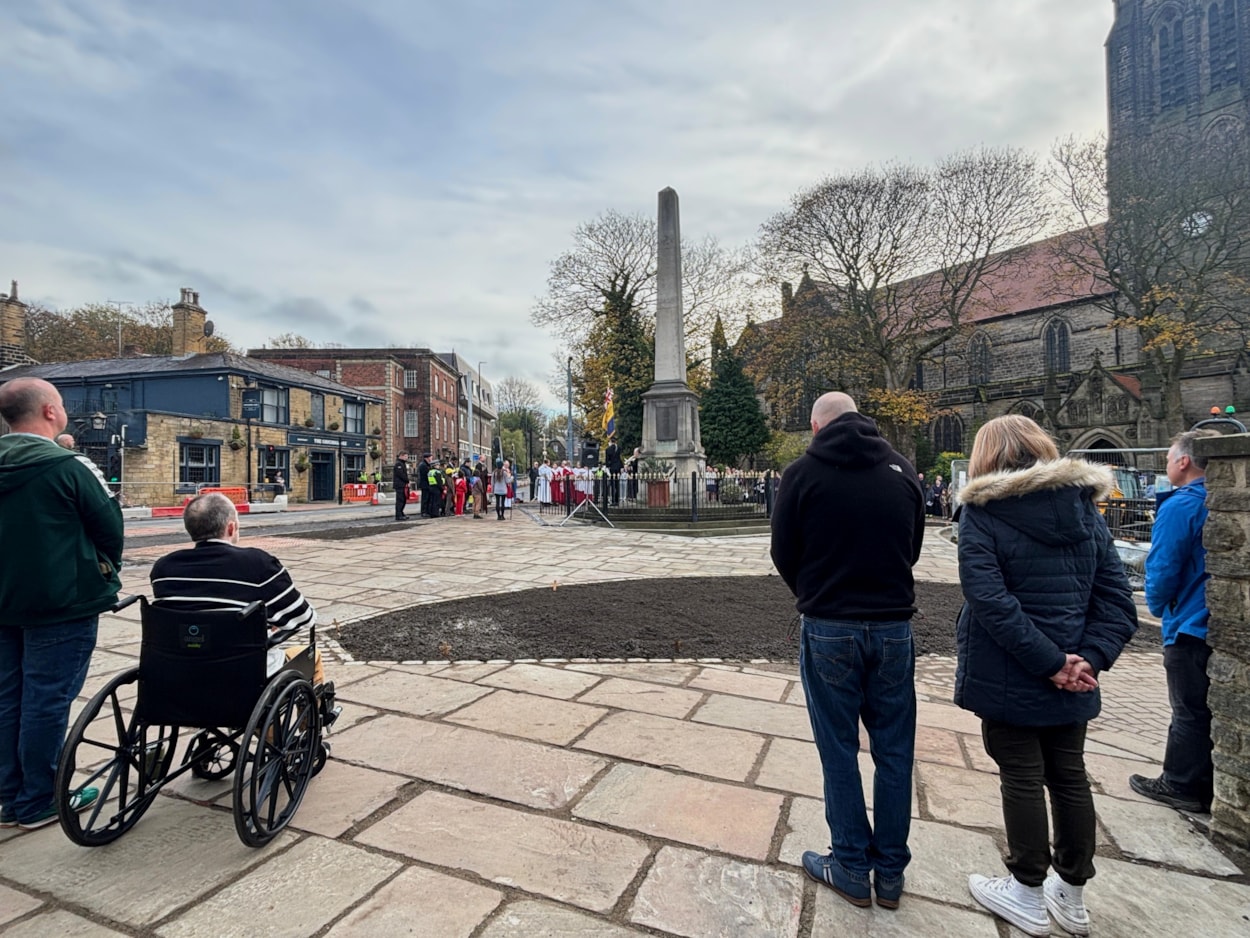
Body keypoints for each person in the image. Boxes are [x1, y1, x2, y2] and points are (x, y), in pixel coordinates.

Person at [956, 415, 1137, 938]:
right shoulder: (1085, 510)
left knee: (1021, 776)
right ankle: (1073, 895)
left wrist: (1051, 664)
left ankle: (1028, 892)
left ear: (985, 457)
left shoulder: (983, 512)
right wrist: (1088, 660)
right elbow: (1117, 603)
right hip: (1074, 672)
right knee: (1069, 776)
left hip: (1014, 670)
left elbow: (990, 601)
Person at [770, 392, 924, 911]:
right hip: (893, 626)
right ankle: (892, 872)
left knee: (838, 747)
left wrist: (814, 594)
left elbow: (783, 550)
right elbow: (913, 546)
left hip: (830, 623)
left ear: (816, 426)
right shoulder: (902, 471)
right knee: (895, 751)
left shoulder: (802, 474)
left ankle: (852, 865)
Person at [0, 377, 123, 829]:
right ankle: (39, 800)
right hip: (62, 602)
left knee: (7, 697)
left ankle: (8, 795)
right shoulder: (70, 466)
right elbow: (110, 529)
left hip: (4, 602)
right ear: (51, 411)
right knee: (47, 701)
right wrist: (102, 571)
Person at [1129, 429, 1221, 815]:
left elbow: (1163, 565)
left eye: (1169, 457)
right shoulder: (1220, 500)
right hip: (1215, 620)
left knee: (1188, 708)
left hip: (1188, 622)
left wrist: (1157, 604)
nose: (1167, 464)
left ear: (1184, 461)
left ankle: (1180, 783)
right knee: (1208, 709)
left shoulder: (1182, 505)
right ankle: (1207, 783)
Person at [150, 493, 326, 687]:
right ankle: (312, 717)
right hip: (243, 679)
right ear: (231, 527)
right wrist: (266, 623)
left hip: (177, 673)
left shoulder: (163, 569)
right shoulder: (258, 565)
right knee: (313, 656)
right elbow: (304, 618)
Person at [392, 453, 410, 521]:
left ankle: (401, 513)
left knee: (403, 500)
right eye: (405, 456)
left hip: (403, 484)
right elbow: (401, 474)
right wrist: (407, 480)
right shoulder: (398, 464)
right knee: (400, 500)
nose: (406, 458)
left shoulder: (402, 463)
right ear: (401, 456)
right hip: (399, 485)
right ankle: (398, 515)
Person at [605, 441, 623, 506]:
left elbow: (607, 460)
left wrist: (607, 467)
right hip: (618, 467)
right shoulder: (619, 448)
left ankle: (613, 501)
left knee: (613, 484)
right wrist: (621, 467)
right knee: (617, 484)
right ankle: (617, 500)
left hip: (612, 467)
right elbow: (620, 458)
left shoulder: (608, 449)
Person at [414, 453, 431, 518]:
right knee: (425, 498)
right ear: (427, 458)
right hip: (425, 484)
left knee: (427, 498)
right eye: (430, 457)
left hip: (426, 484)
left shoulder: (426, 465)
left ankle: (426, 511)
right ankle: (424, 512)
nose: (431, 459)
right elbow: (425, 475)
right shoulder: (423, 465)